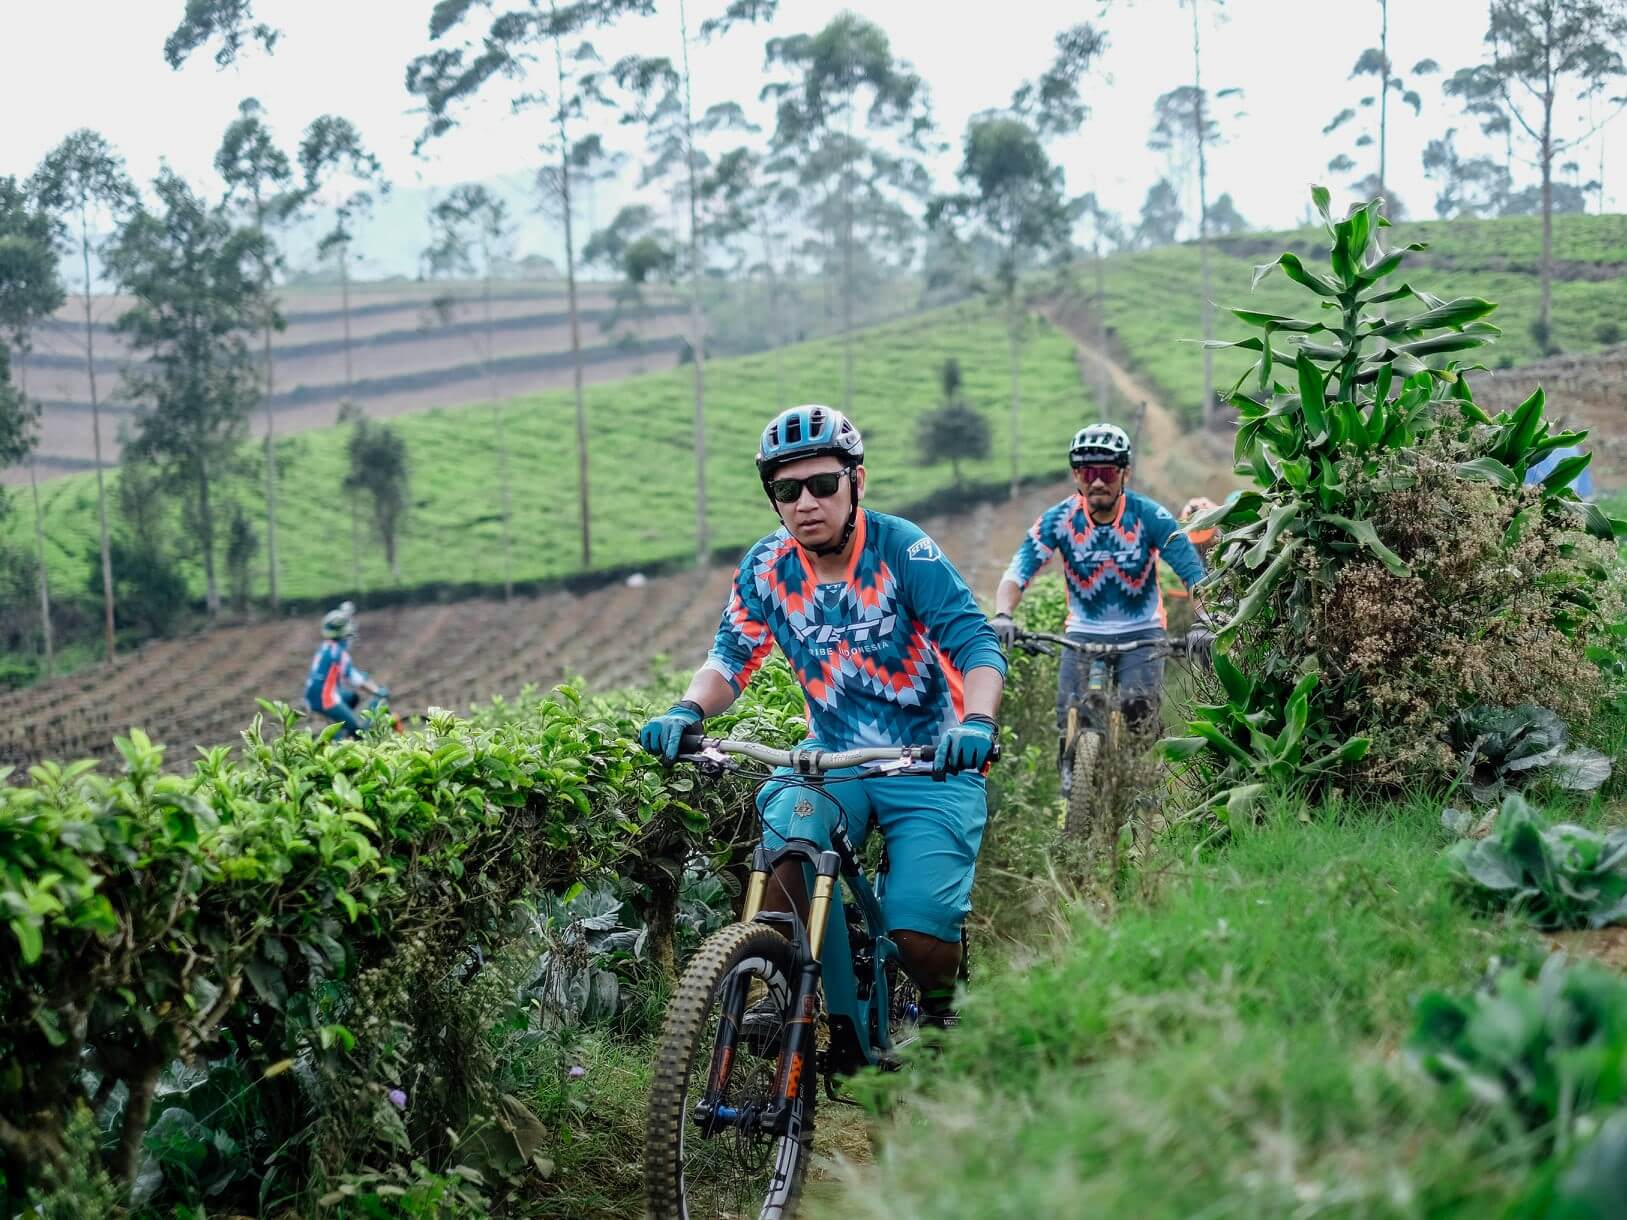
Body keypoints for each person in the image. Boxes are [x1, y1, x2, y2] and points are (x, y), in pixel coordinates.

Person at [638, 405, 1006, 1027]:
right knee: (785, 870)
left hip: (930, 760)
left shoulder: (904, 551)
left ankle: (945, 1011)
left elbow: (976, 644)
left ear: (856, 482)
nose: (806, 502)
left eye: (823, 484)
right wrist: (687, 708)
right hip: (833, 757)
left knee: (917, 932)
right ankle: (790, 1006)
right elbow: (731, 657)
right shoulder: (766, 567)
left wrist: (977, 723)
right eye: (788, 491)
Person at [989, 423, 1205, 745]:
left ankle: (1140, 773)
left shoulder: (1150, 515)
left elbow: (1193, 572)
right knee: (1068, 718)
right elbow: (1019, 570)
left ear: (1125, 473)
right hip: (1083, 633)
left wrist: (1205, 619)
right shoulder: (1059, 519)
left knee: (1139, 717)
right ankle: (1072, 772)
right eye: (1088, 473)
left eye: (1107, 472)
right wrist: (1003, 614)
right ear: (1076, 476)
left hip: (1142, 632)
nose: (1098, 482)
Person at [304, 601, 390, 737]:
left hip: (312, 695)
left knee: (352, 698)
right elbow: (354, 678)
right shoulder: (339, 653)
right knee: (359, 731)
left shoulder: (325, 647)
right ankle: (345, 736)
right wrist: (377, 691)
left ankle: (340, 733)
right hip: (326, 699)